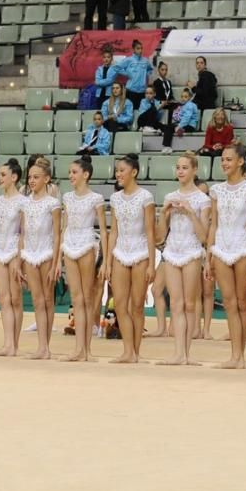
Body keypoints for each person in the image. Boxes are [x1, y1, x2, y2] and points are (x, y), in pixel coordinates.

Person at [206, 146, 246, 369]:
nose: (225, 163)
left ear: (240, 161)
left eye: (229, 159)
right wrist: (209, 253)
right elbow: (214, 224)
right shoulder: (216, 190)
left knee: (242, 302)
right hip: (221, 246)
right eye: (222, 160)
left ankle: (242, 355)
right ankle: (234, 355)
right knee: (229, 302)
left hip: (242, 246)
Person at [157, 152, 211, 366]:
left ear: (194, 170)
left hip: (191, 251)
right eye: (178, 167)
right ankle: (178, 352)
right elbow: (160, 236)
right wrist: (164, 215)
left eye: (185, 168)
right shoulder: (170, 197)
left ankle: (187, 353)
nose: (180, 171)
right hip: (172, 250)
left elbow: (204, 236)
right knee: (176, 304)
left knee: (189, 304)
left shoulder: (202, 200)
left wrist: (190, 212)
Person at [106, 154, 156, 364]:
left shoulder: (146, 197)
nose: (118, 174)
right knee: (119, 305)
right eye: (117, 171)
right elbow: (114, 231)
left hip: (140, 253)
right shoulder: (115, 198)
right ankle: (127, 351)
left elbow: (150, 232)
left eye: (122, 170)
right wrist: (108, 262)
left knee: (137, 305)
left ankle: (136, 351)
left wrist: (152, 264)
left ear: (133, 172)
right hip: (120, 252)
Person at [59, 157, 106, 363]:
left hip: (87, 244)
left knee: (87, 298)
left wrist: (104, 260)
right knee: (76, 298)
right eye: (70, 172)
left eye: (75, 172)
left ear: (85, 174)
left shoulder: (96, 198)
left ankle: (87, 349)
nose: (71, 176)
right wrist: (60, 250)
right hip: (69, 243)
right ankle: (78, 348)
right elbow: (64, 225)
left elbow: (104, 230)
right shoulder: (67, 197)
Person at [18, 156, 62, 360]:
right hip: (29, 253)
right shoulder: (25, 203)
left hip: (46, 253)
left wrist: (55, 262)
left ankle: (47, 347)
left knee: (47, 299)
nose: (31, 181)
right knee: (37, 301)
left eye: (36, 177)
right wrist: (19, 260)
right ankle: (41, 346)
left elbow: (57, 234)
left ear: (47, 179)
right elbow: (22, 232)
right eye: (29, 177)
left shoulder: (53, 204)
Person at [0, 159, 26, 357]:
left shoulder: (23, 202)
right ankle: (7, 343)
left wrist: (19, 258)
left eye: (2, 175)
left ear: (14, 177)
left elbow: (23, 232)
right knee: (3, 299)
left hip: (13, 251)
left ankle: (15, 345)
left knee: (16, 299)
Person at [115, 39, 152, 110]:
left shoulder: (145, 60)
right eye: (138, 48)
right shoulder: (129, 60)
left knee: (141, 111)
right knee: (130, 111)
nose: (140, 50)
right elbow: (116, 67)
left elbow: (150, 69)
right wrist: (127, 74)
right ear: (133, 49)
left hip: (142, 91)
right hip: (131, 91)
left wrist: (146, 74)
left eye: (141, 48)